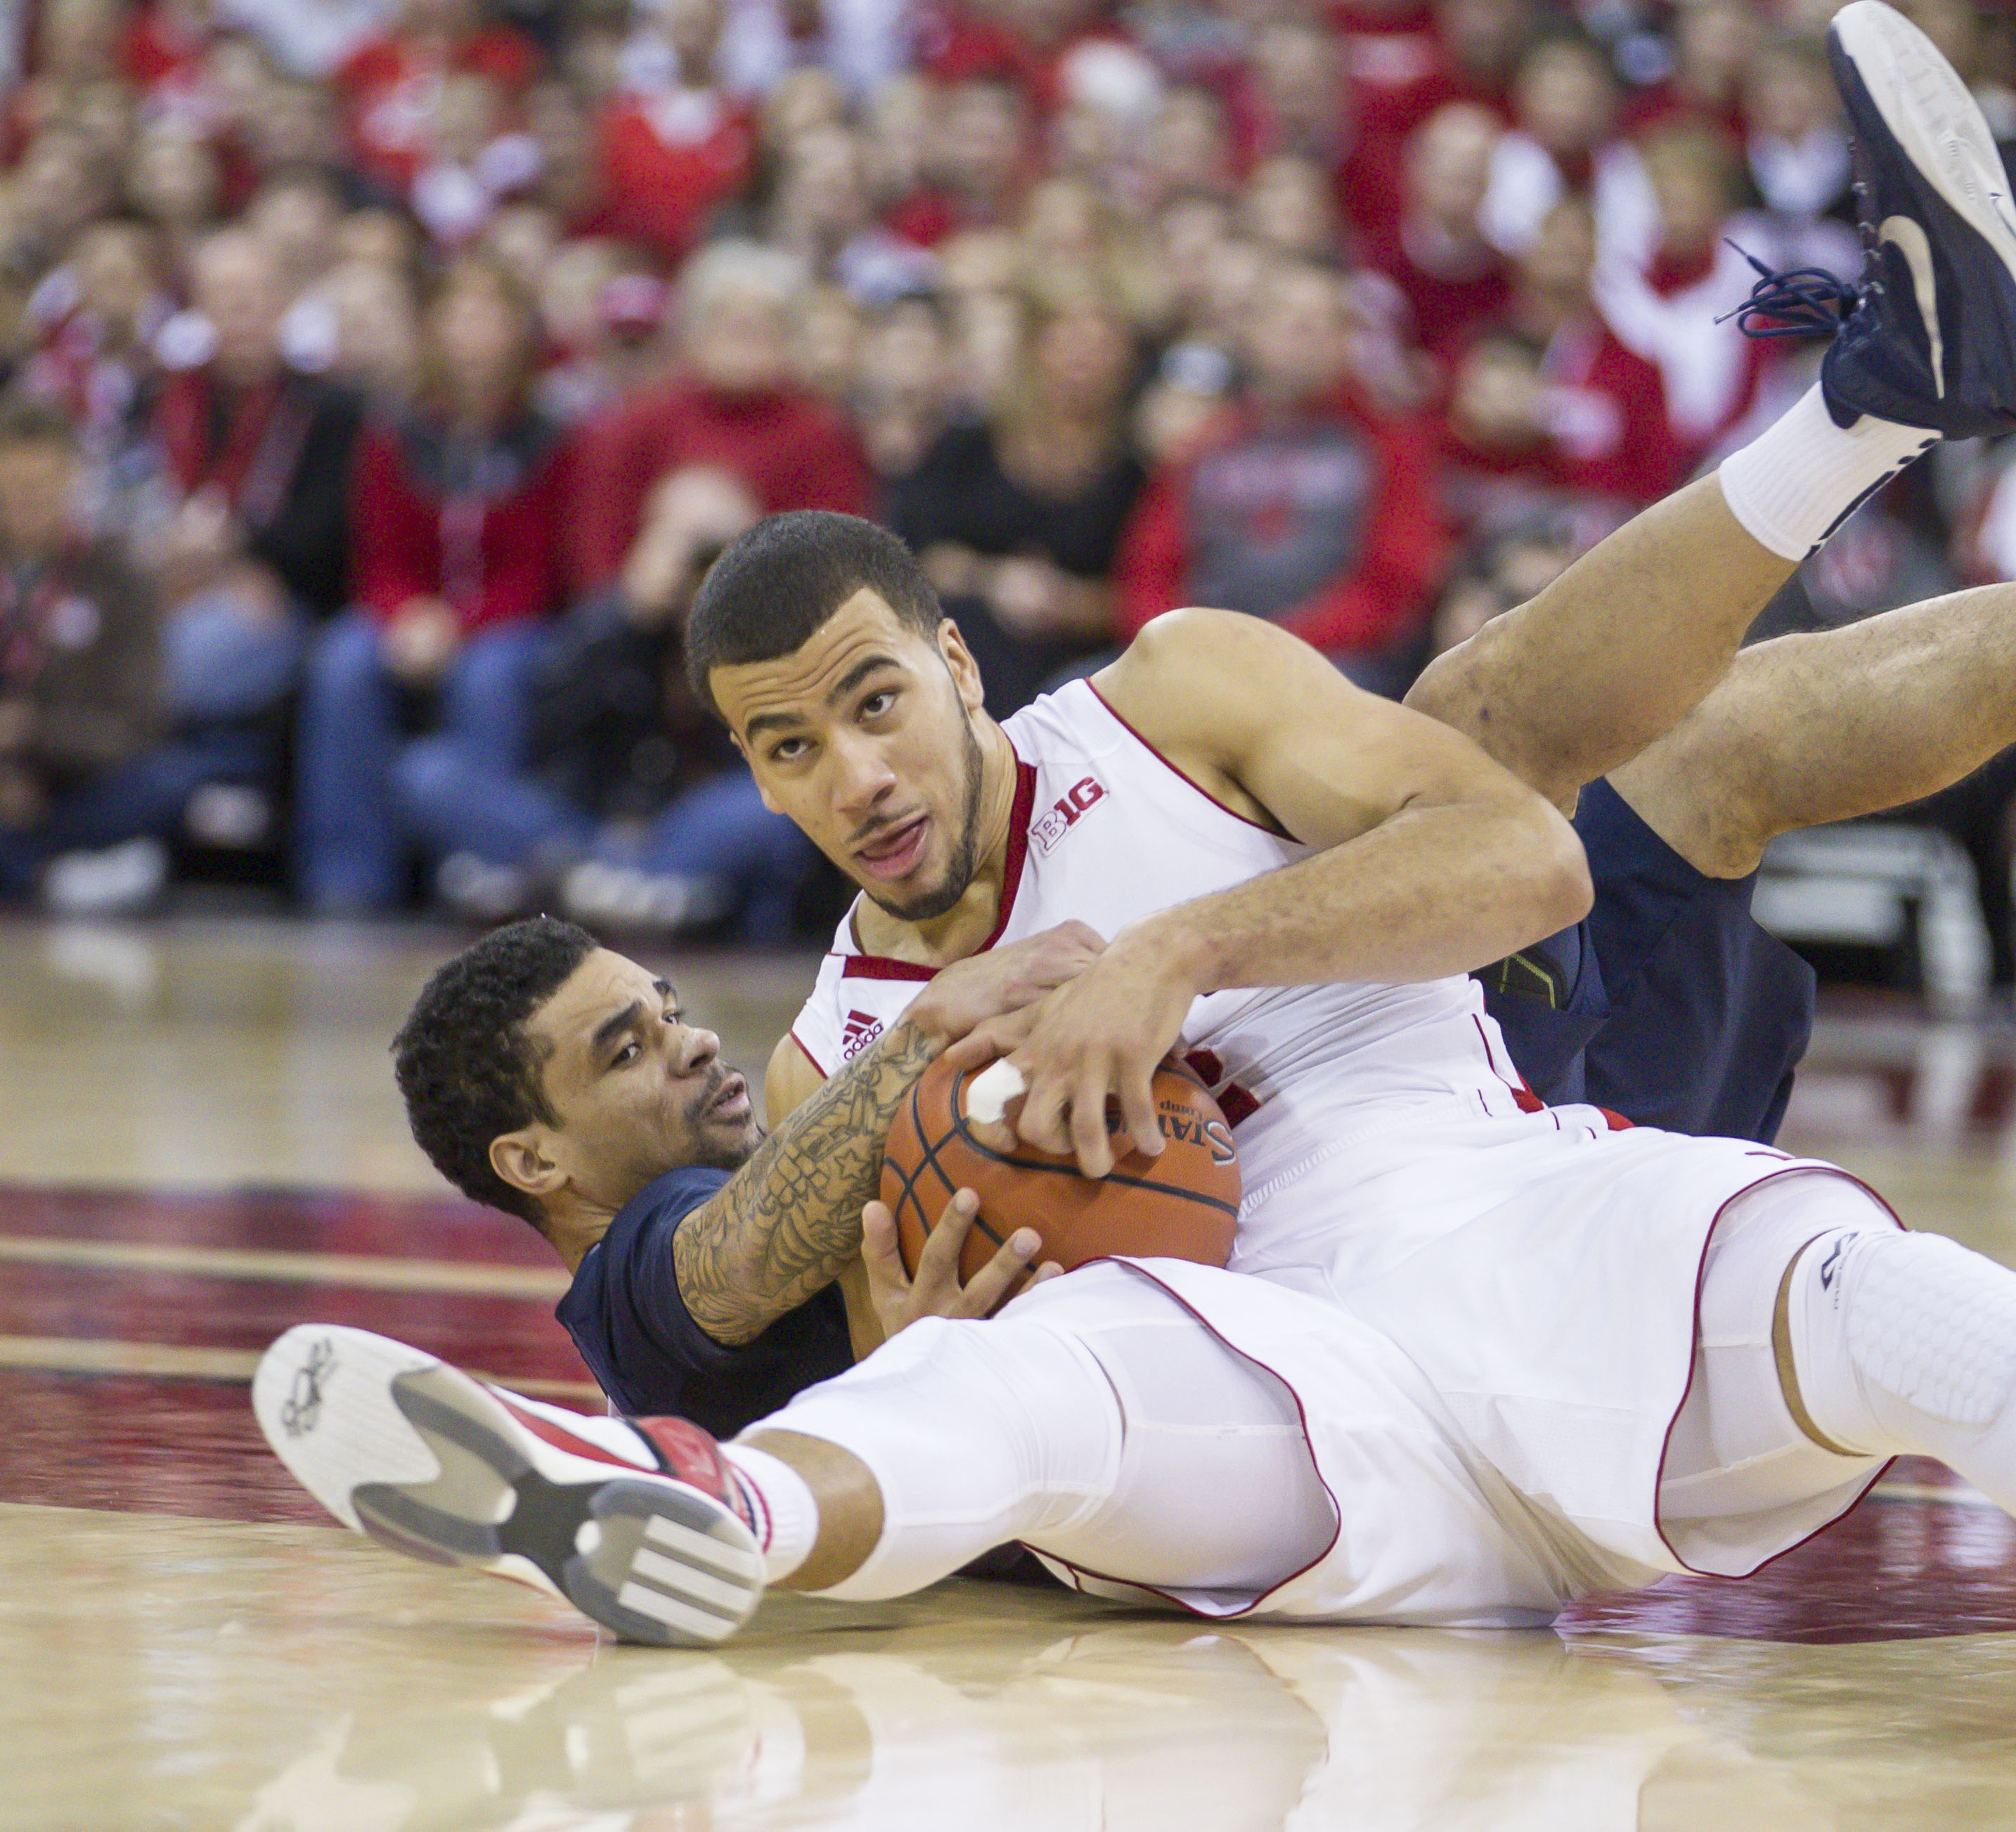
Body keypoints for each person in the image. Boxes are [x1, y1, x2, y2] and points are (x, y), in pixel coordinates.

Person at [254, 0, 2016, 1649]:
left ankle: (1875, 396)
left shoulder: (1169, 697)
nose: (853, 776)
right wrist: (897, 1358)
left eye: (875, 704)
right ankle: (701, 1506)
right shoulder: (829, 1064)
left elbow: (1527, 860)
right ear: (754, 775)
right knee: (1019, 1384)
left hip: (1513, 1239)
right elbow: (896, 1334)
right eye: (788, 749)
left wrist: (1174, 954)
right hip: (1281, 1428)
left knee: (1864, 1293)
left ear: (958, 665)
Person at [296, 252, 569, 913]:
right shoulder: (395, 432)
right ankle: (348, 873)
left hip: (512, 623)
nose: (471, 332)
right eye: (457, 314)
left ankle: (477, 864)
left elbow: (540, 574)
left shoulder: (553, 436)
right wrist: (407, 616)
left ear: (519, 332)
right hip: (410, 613)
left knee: (488, 677)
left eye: (489, 315)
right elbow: (379, 559)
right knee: (344, 662)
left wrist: (461, 625)